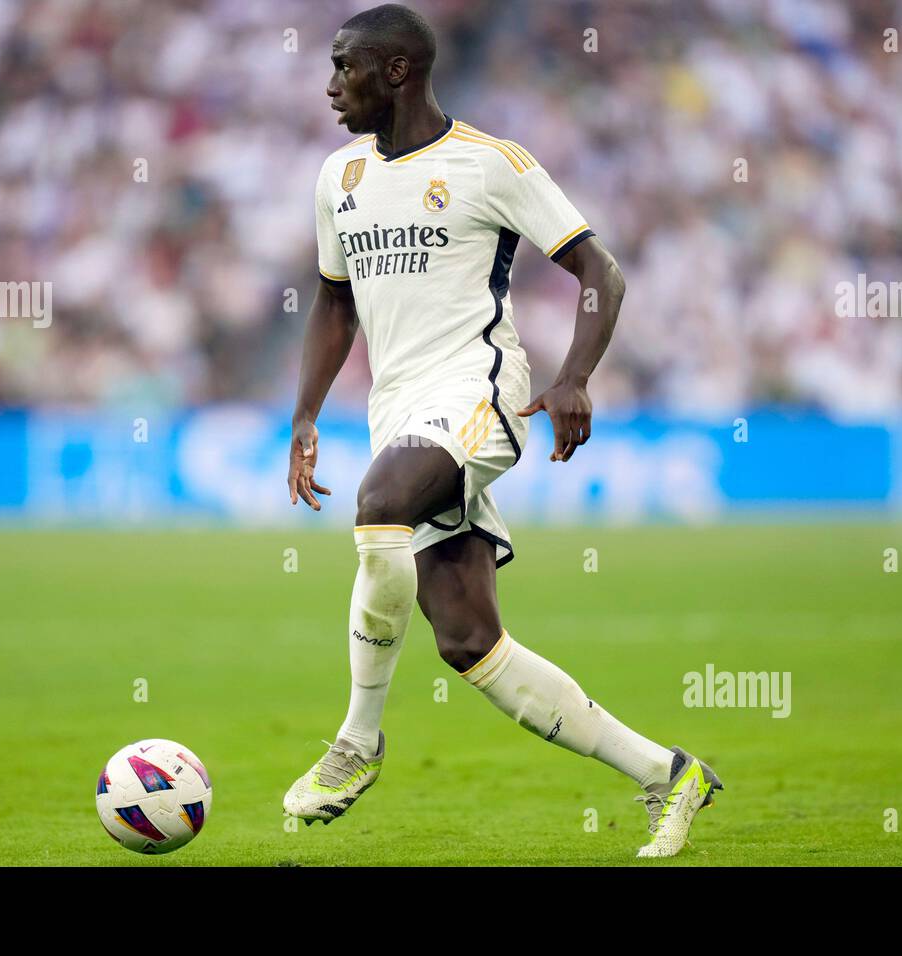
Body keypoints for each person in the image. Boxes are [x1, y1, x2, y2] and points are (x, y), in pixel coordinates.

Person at [283, 3, 721, 858]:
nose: (332, 86)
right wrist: (304, 414)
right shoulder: (338, 177)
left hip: (479, 391)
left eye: (346, 67)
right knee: (469, 642)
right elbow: (334, 303)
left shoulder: (490, 165)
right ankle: (670, 773)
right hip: (399, 411)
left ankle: (356, 743)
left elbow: (602, 270)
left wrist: (576, 376)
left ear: (398, 70)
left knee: (379, 504)